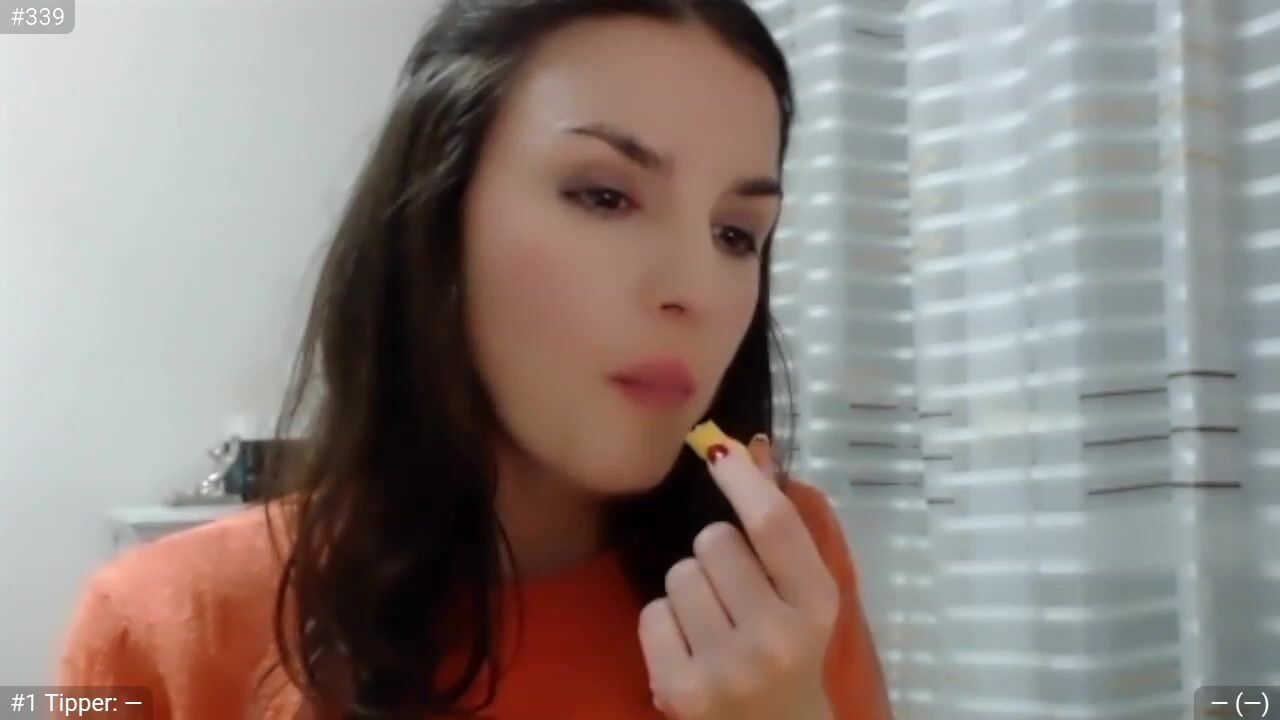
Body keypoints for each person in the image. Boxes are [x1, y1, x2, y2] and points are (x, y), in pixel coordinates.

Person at [56, 1, 893, 718]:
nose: (696, 290)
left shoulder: (780, 570)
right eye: (605, 196)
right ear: (436, 221)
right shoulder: (159, 627)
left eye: (736, 234)